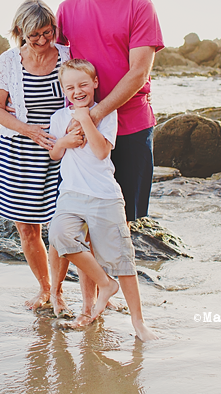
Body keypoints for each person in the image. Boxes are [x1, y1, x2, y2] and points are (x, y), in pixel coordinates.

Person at [56, 0, 164, 222]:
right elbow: (51, 61)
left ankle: (126, 270)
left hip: (131, 127)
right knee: (81, 221)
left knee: (129, 220)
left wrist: (94, 113)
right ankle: (95, 271)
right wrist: (14, 98)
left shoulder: (140, 6)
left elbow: (139, 72)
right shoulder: (66, 9)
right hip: (82, 136)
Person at [47, 59, 157, 339]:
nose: (77, 91)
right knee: (59, 235)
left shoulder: (106, 114)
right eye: (70, 87)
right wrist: (64, 142)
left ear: (95, 83)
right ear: (63, 89)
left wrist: (85, 118)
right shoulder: (59, 118)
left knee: (122, 260)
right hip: (70, 195)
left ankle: (138, 323)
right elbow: (54, 154)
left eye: (83, 84)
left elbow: (100, 152)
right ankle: (104, 285)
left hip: (104, 196)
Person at [0, 0, 73, 311]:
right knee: (27, 228)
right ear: (20, 31)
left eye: (47, 33)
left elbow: (84, 93)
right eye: (33, 35)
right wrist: (29, 130)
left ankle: (60, 291)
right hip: (19, 151)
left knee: (61, 225)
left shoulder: (68, 56)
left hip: (61, 152)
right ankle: (45, 289)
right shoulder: (9, 61)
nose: (40, 40)